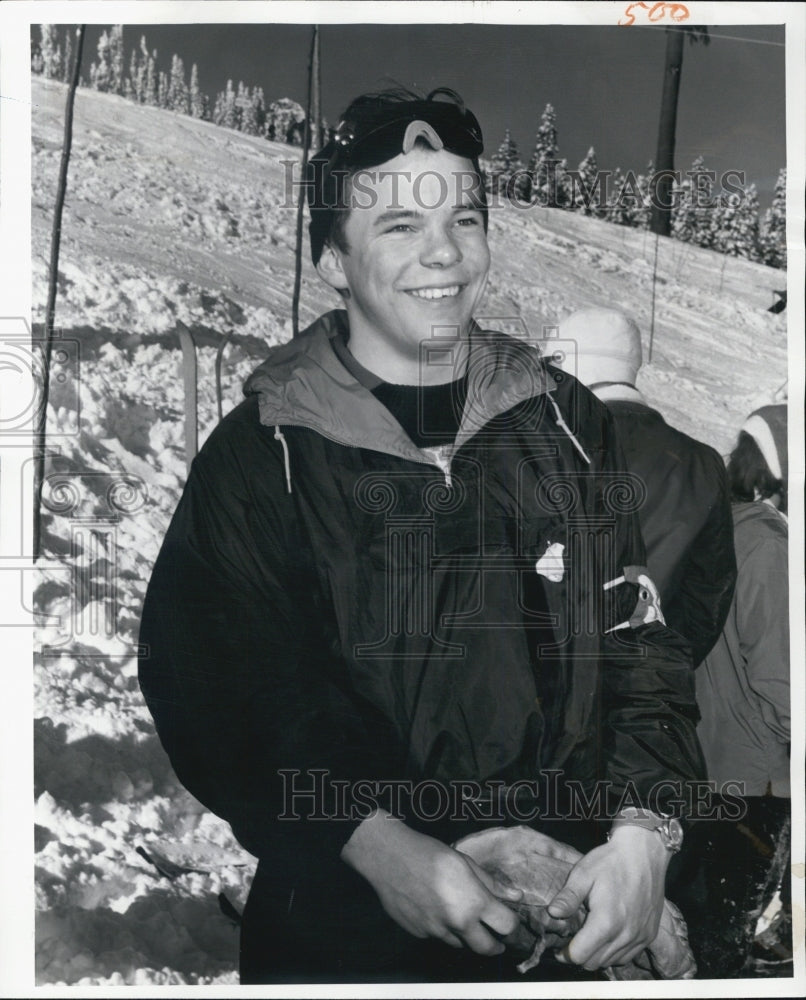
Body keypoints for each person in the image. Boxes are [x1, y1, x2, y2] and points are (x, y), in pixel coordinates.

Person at [138, 88, 705, 984]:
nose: (445, 251)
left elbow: (637, 643)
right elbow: (217, 679)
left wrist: (645, 832)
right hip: (341, 925)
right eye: (400, 224)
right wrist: (370, 840)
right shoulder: (268, 450)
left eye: (465, 218)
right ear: (333, 256)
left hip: (557, 922)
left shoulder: (563, 423)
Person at [553, 308, 737, 667]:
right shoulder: (702, 463)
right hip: (641, 694)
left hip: (542, 689)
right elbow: (708, 598)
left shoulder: (542, 447)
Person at [681, 404, 791, 976]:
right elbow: (782, 681)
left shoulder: (718, 523)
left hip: (703, 759)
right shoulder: (770, 546)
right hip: (754, 778)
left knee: (692, 924)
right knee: (720, 938)